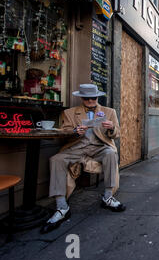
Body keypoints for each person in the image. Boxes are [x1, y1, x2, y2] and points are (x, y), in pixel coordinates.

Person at [41, 84, 125, 234]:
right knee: (56, 159)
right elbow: (64, 132)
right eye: (87, 98)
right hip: (78, 147)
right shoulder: (70, 113)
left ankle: (108, 197)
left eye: (93, 98)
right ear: (82, 98)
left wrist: (111, 128)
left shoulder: (109, 112)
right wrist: (75, 132)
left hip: (100, 146)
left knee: (111, 154)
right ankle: (61, 207)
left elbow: (117, 134)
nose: (91, 101)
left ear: (97, 97)